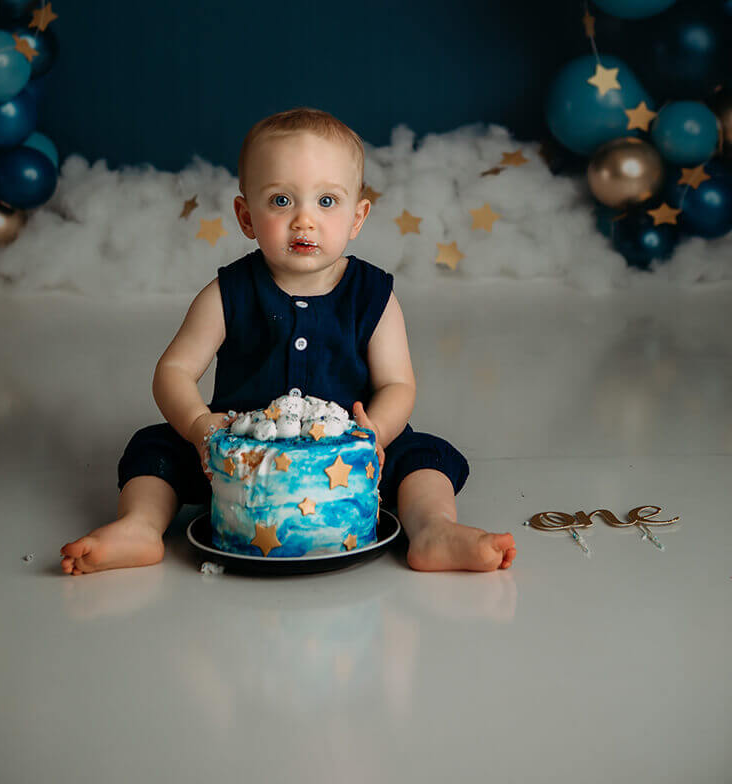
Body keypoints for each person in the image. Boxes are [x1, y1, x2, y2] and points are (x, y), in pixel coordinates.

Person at [60, 107, 517, 575]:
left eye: (327, 202)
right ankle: (140, 527)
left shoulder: (372, 295)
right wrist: (201, 426)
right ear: (245, 216)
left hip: (348, 453)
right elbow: (173, 371)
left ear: (358, 217)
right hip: (237, 456)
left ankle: (432, 530)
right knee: (153, 449)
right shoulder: (229, 292)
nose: (304, 220)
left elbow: (399, 385)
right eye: (281, 201)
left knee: (424, 457)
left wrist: (375, 432)